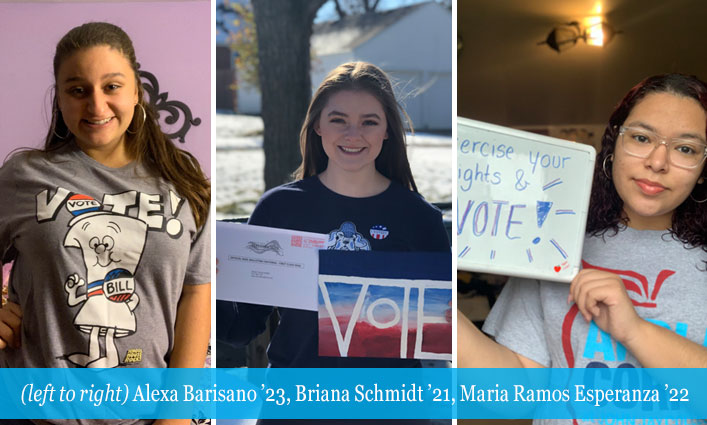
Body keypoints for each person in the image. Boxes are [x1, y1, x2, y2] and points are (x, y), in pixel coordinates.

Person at [217, 62, 451, 423]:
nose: (353, 133)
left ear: (388, 130)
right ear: (317, 126)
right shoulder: (279, 209)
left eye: (369, 121)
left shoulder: (421, 221)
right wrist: (213, 281)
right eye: (339, 119)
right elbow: (238, 330)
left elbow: (437, 344)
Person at [0, 21, 210, 387]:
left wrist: (177, 410)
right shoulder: (24, 175)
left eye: (112, 86)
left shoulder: (182, 177)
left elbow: (195, 293)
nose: (96, 105)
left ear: (135, 92)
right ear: (60, 98)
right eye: (78, 90)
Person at [459, 74, 707, 375]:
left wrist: (634, 330)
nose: (657, 162)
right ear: (614, 143)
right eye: (641, 138)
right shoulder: (555, 245)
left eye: (686, 149)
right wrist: (438, 303)